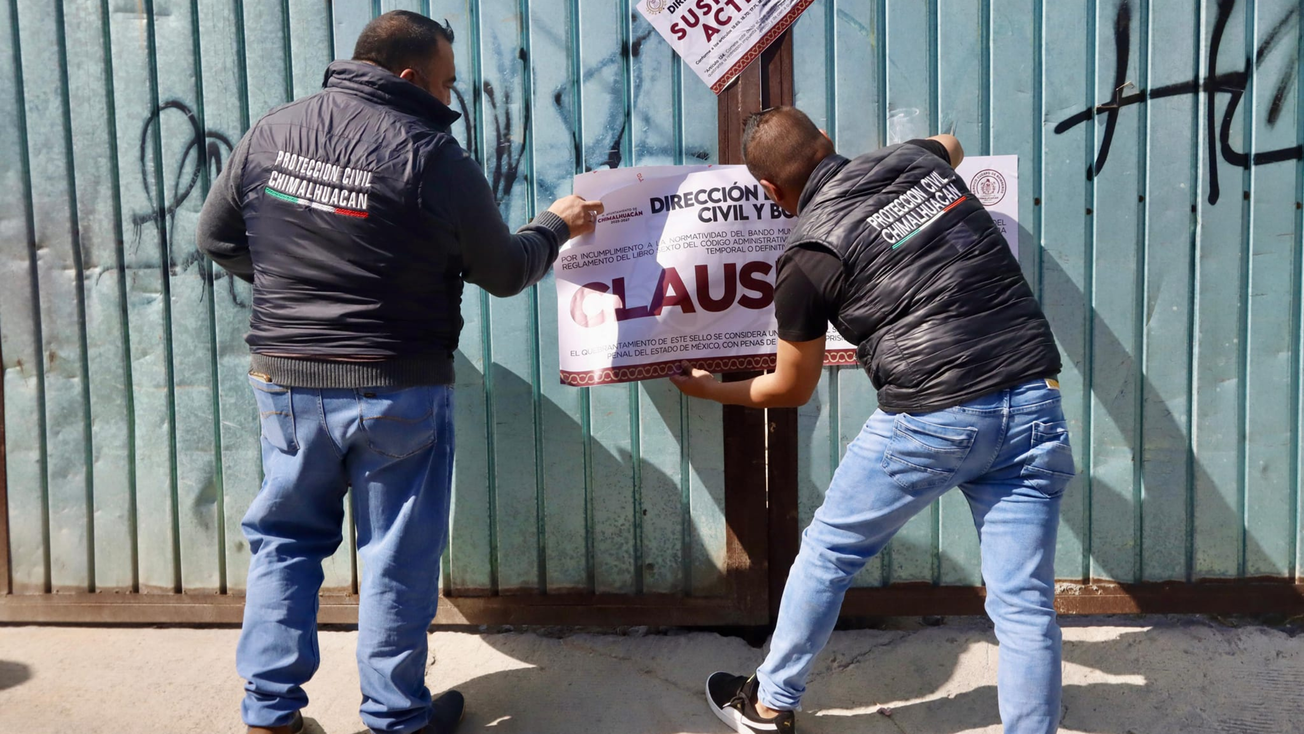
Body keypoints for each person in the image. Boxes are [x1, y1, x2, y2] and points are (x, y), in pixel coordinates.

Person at [197, 11, 602, 734]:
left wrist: (295, 292)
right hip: (395, 387)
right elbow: (505, 271)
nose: (450, 100)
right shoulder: (432, 155)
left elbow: (216, 236)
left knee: (285, 541)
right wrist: (555, 224)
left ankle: (269, 716)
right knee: (396, 556)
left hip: (288, 381)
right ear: (410, 76)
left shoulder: (273, 131)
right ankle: (395, 719)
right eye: (446, 84)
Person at [671, 107, 1072, 734]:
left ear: (770, 191)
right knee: (1024, 606)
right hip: (1033, 403)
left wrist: (708, 390)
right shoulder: (914, 161)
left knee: (828, 553)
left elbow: (791, 387)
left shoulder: (807, 257)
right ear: (828, 141)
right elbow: (951, 141)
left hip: (932, 417)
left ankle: (769, 705)